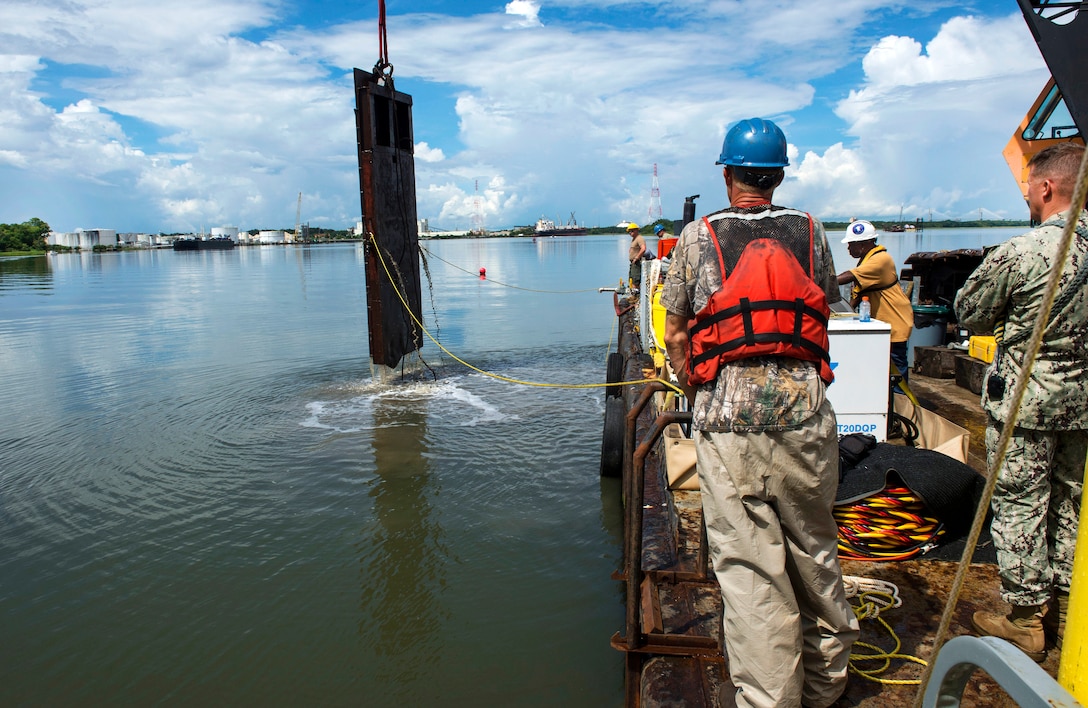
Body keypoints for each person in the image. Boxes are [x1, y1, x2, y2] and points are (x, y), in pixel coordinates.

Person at [661, 117, 858, 708]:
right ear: (777, 176)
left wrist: (690, 386)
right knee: (815, 549)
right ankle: (826, 688)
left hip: (728, 418)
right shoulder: (810, 229)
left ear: (727, 175)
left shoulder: (698, 238)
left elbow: (674, 331)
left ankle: (772, 700)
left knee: (751, 569)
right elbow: (820, 298)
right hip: (805, 414)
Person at [955, 141, 1088, 660]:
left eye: (1029, 186)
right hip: (1081, 406)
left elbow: (970, 313)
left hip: (1026, 408)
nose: (1027, 195)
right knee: (1072, 499)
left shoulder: (1026, 251)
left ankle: (1027, 618)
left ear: (1047, 187)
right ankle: (1069, 607)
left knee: (1021, 505)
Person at [836, 220, 915, 379]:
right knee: (881, 368)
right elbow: (858, 294)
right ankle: (888, 400)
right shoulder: (867, 260)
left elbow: (849, 276)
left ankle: (900, 402)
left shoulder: (880, 260)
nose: (848, 248)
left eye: (851, 244)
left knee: (895, 370)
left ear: (863, 244)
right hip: (881, 324)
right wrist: (845, 316)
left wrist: (817, 282)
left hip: (894, 322)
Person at [627, 222, 646, 288]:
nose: (630, 232)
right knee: (631, 279)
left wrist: (636, 258)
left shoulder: (639, 238)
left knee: (635, 280)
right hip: (633, 263)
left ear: (636, 230)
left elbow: (643, 248)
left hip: (636, 262)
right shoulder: (634, 239)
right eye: (629, 231)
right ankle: (633, 294)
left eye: (632, 231)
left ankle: (636, 296)